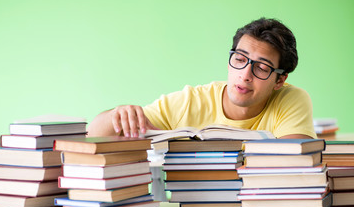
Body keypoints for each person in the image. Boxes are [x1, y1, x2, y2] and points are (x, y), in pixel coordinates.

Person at [88, 17, 316, 139]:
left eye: (262, 67)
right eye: (239, 59)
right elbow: (93, 135)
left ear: (279, 81)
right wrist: (118, 115)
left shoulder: (291, 99)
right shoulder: (190, 102)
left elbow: (294, 163)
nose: (245, 75)